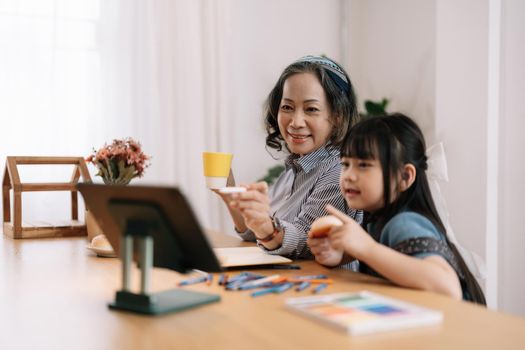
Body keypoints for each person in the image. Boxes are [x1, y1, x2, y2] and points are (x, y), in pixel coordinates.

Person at [307, 113, 486, 304]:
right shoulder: (378, 220)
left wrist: (366, 248)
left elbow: (447, 288)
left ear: (405, 177)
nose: (349, 175)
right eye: (346, 164)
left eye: (364, 165)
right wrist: (336, 255)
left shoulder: (404, 223)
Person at [216, 55, 362, 260]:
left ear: (337, 116)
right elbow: (260, 236)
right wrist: (230, 195)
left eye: (311, 109)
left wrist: (268, 228)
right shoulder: (294, 170)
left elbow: (306, 243)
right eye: (287, 107)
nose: (295, 122)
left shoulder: (339, 172)